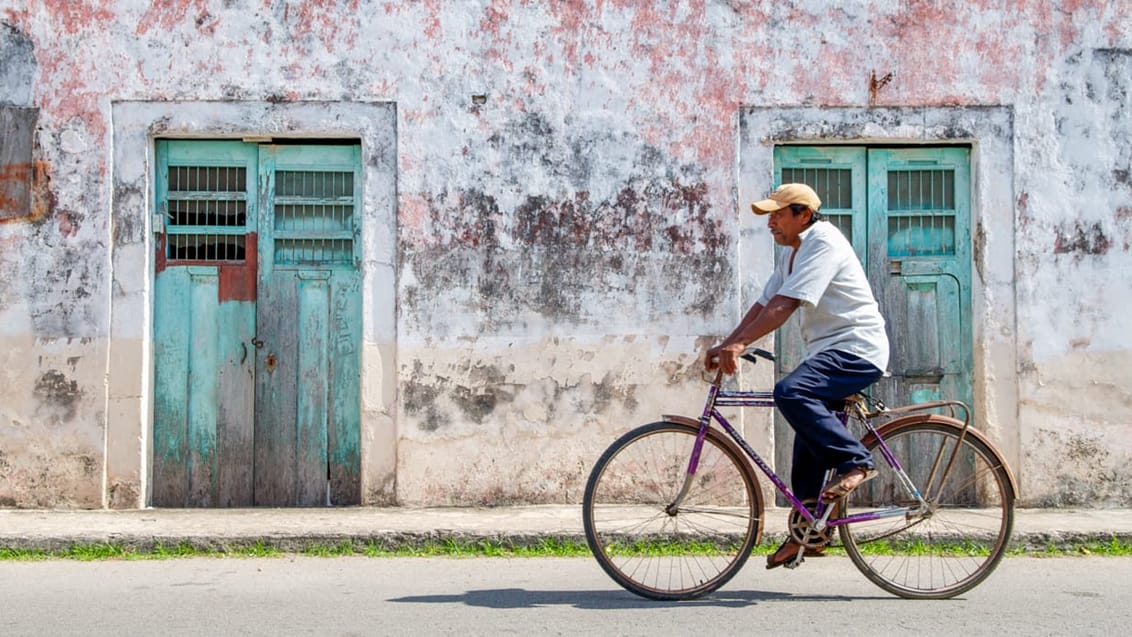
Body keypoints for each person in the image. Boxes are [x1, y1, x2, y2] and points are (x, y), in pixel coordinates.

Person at [704, 183, 890, 570]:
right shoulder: (792, 254)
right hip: (828, 351)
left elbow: (786, 306)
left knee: (790, 392)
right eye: (769, 215)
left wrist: (737, 347)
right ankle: (808, 529)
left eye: (777, 214)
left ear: (803, 214)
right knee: (807, 433)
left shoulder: (823, 242)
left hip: (856, 350)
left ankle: (857, 462)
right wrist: (729, 343)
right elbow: (764, 304)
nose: (770, 222)